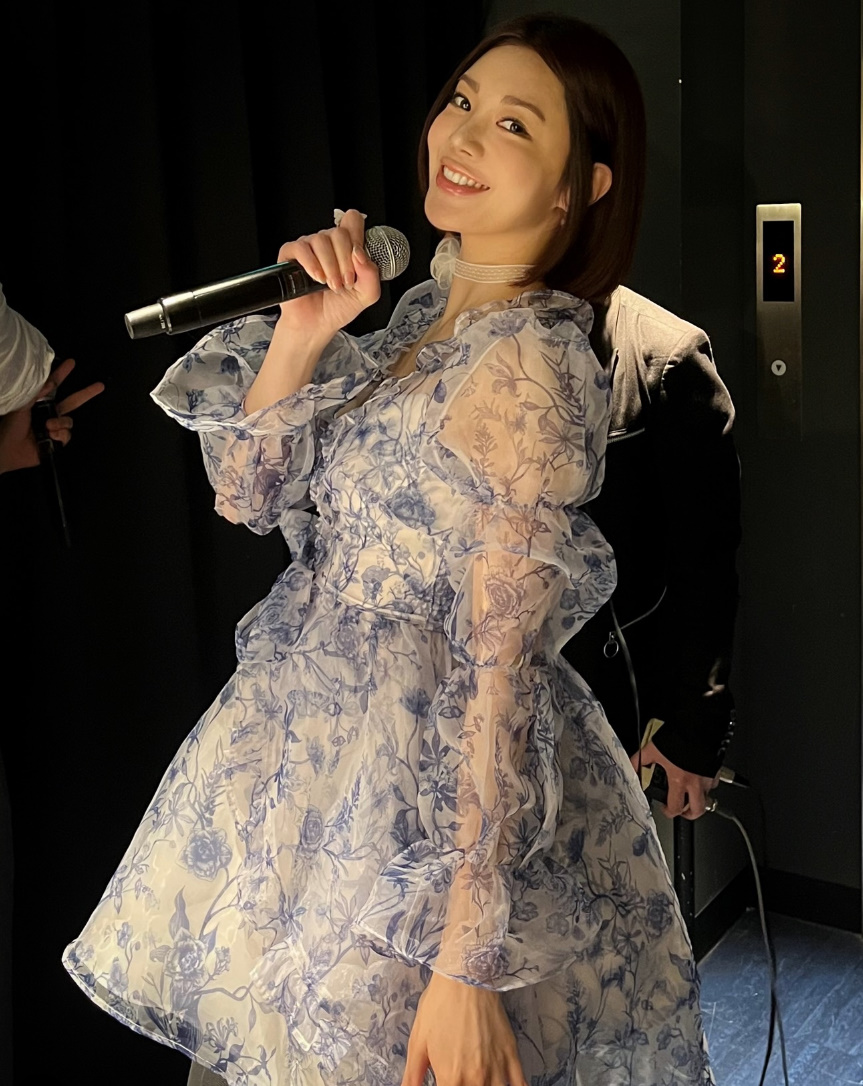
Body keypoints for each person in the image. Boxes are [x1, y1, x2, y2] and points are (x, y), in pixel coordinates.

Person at [62, 14, 715, 1086]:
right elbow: (245, 495)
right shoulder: (422, 319)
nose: (463, 134)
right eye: (461, 100)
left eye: (515, 123)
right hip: (304, 768)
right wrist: (306, 329)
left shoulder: (529, 365)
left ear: (582, 187)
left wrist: (467, 965)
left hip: (417, 812)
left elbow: (500, 673)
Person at [563, 288, 741, 821]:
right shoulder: (444, 331)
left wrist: (693, 730)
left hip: (598, 706)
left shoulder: (664, 357)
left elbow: (706, 562)